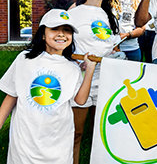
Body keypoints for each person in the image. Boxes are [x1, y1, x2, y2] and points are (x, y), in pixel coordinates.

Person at [0, 9, 97, 163]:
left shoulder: (72, 68)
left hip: (58, 143)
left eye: (67, 30)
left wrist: (90, 69)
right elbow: (11, 96)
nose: (61, 34)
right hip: (25, 143)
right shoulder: (24, 60)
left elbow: (80, 100)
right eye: (54, 29)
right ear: (43, 34)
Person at [68, 0, 120, 164]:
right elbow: (64, 42)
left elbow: (108, 44)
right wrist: (75, 58)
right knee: (76, 132)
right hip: (80, 77)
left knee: (101, 134)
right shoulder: (74, 12)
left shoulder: (108, 14)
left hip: (104, 78)